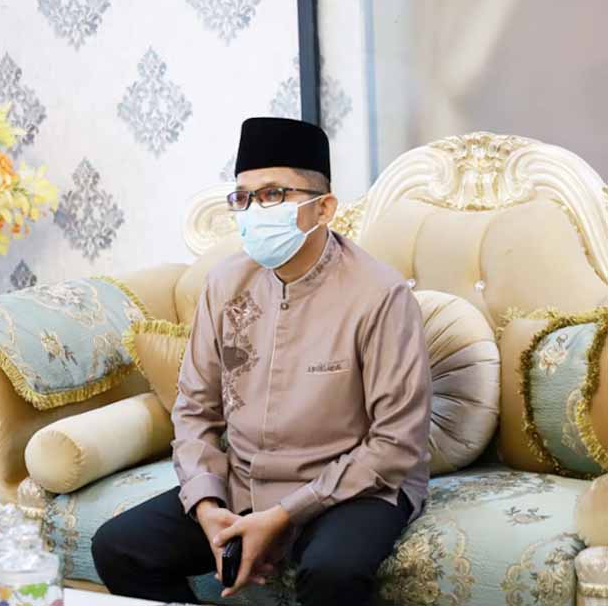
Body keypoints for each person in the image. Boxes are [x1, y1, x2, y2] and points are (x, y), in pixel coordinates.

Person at [92, 116, 432, 605]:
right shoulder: (225, 283)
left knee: (332, 572)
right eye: (243, 197)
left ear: (323, 208)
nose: (254, 211)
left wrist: (282, 516)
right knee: (120, 548)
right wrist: (207, 505)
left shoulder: (380, 295)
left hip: (354, 489)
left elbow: (395, 443)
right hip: (246, 481)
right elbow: (195, 410)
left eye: (273, 194)